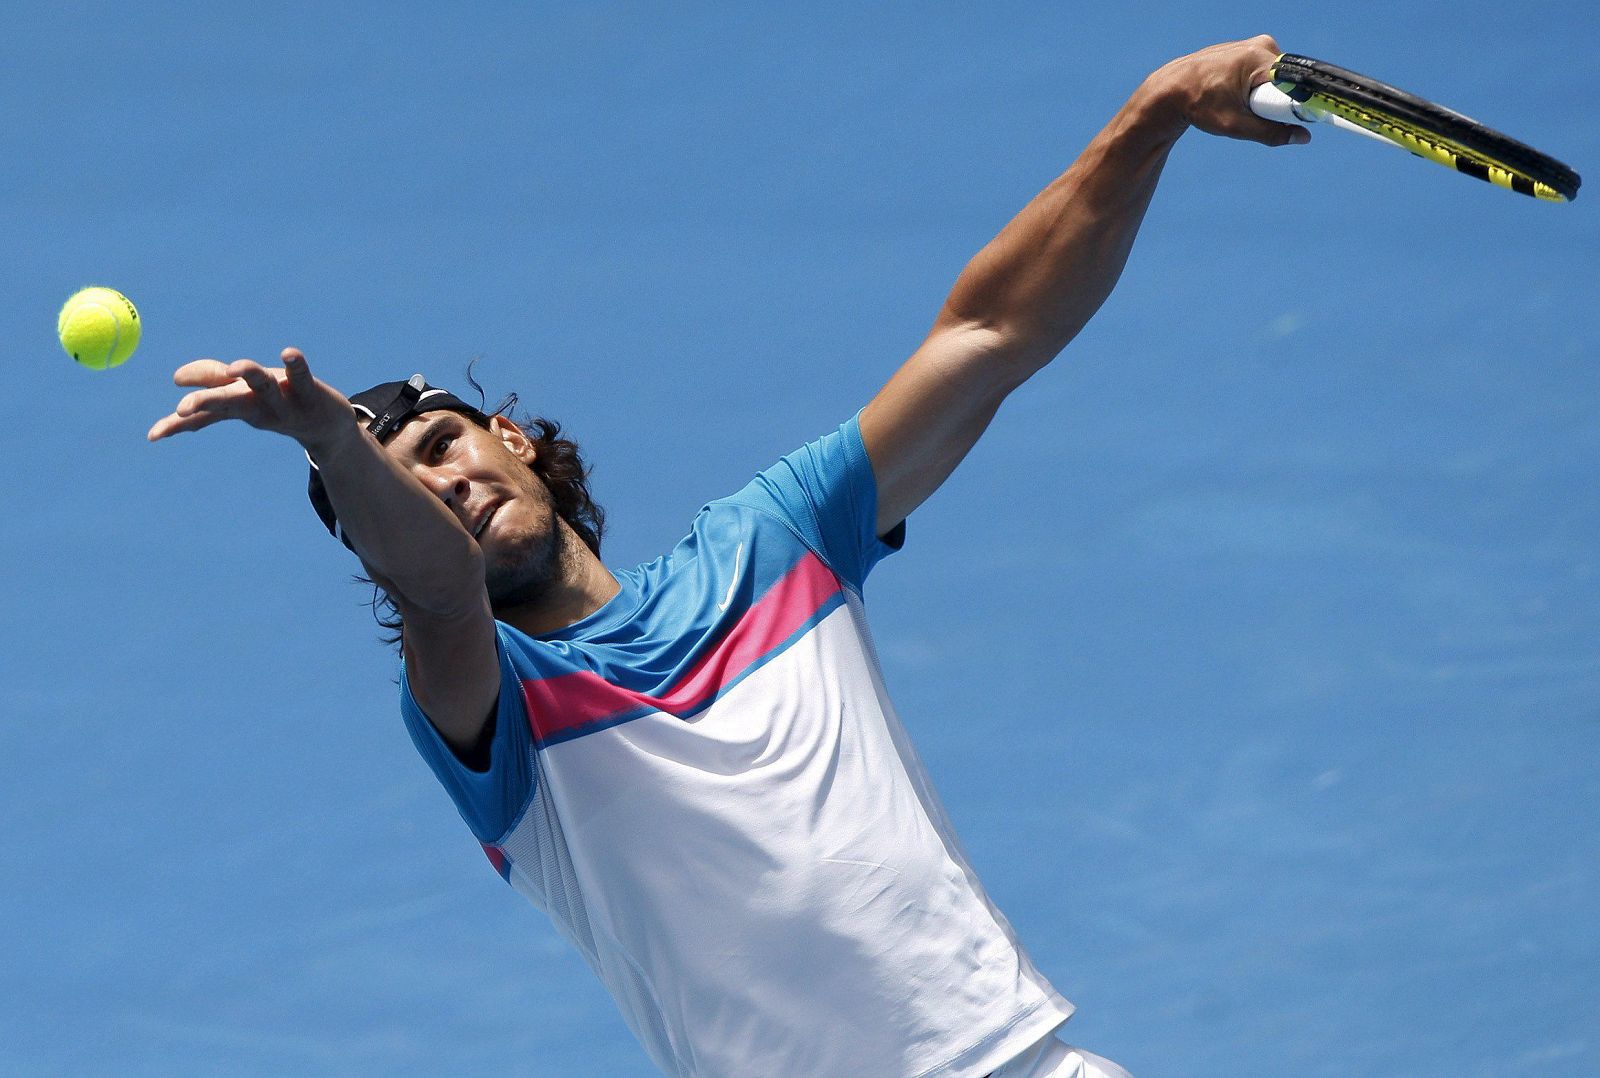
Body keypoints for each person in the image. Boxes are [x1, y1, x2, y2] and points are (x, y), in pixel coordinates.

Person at [149, 36, 1307, 1078]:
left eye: (442, 444)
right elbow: (442, 593)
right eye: (397, 489)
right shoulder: (491, 717)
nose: (439, 484)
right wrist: (323, 441)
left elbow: (990, 333)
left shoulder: (774, 540)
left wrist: (1149, 114)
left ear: (507, 438)